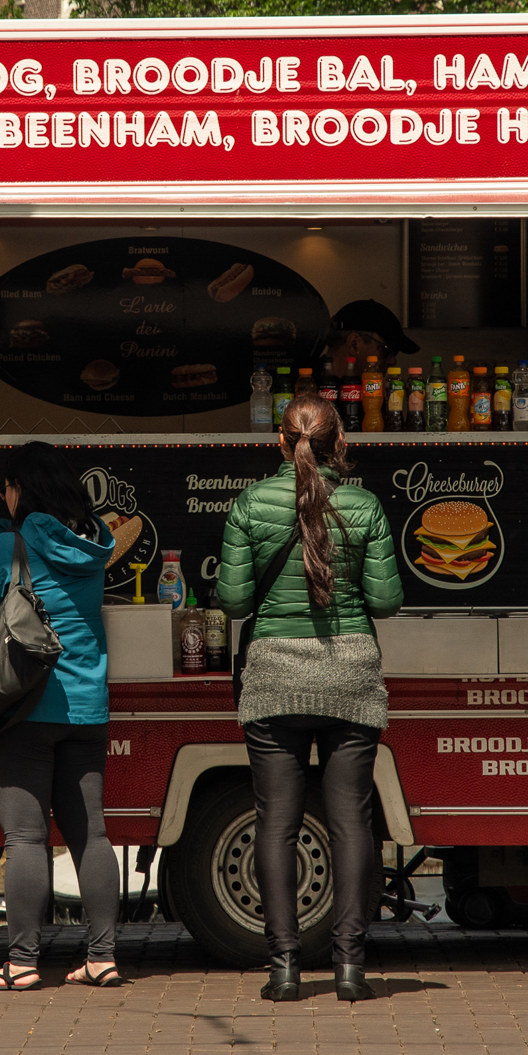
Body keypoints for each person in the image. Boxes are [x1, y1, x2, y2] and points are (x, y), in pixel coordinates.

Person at [216, 393, 404, 1002]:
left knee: (276, 824)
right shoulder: (366, 505)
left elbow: (236, 603)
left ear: (279, 441)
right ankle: (350, 970)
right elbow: (386, 603)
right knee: (352, 822)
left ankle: (285, 971)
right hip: (350, 672)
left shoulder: (249, 504)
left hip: (273, 675)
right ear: (339, 439)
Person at [0, 442, 123, 991]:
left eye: (6, 489)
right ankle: (102, 956)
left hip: (27, 704)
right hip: (85, 705)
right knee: (92, 835)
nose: (4, 498)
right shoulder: (93, 540)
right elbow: (16, 541)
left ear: (20, 489)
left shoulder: (18, 542)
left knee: (27, 839)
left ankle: (23, 962)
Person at [320, 298, 420, 380]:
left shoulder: (371, 396)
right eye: (387, 350)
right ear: (353, 344)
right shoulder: (308, 390)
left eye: (395, 352)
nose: (393, 361)